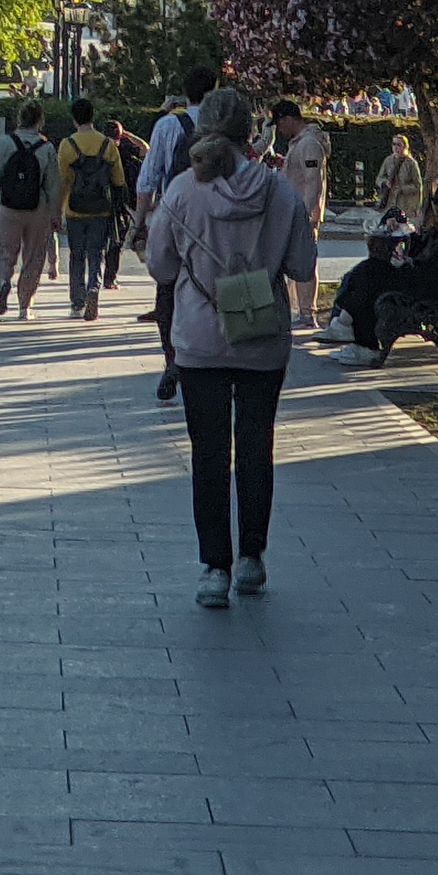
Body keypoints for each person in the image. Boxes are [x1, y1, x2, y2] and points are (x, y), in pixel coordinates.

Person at [148, 87, 316, 608]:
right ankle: (252, 559)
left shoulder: (180, 191)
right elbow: (304, 267)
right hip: (263, 339)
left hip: (199, 341)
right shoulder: (280, 190)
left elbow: (160, 267)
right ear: (252, 132)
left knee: (209, 454)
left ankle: (214, 568)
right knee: (256, 446)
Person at [315, 179, 438, 367]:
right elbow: (421, 249)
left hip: (430, 294)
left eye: (435, 203)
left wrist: (408, 264)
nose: (433, 208)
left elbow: (435, 274)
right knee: (371, 269)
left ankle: (355, 333)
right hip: (423, 284)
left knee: (373, 273)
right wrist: (401, 229)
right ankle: (348, 326)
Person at [134, 66, 219, 402]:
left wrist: (140, 221)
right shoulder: (223, 128)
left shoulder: (169, 125)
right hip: (217, 219)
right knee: (212, 288)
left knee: (168, 286)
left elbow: (149, 176)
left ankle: (173, 357)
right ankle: (208, 358)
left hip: (176, 216)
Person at [0, 99, 60, 319]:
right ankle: (25, 306)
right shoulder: (47, 147)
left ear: (19, 118)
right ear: (40, 121)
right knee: (34, 257)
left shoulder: (5, 142)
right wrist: (55, 215)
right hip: (37, 208)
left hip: (8, 207)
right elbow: (53, 185)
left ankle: (4, 281)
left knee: (5, 253)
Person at [54, 97, 127, 319]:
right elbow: (119, 180)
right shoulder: (107, 144)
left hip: (75, 208)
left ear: (74, 119)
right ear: (93, 117)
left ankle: (77, 301)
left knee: (77, 255)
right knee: (96, 253)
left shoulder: (68, 144)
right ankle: (94, 287)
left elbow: (63, 180)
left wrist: (57, 210)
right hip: (101, 208)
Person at [269, 99, 330, 328]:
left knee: (304, 262)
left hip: (303, 214)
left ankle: (307, 313)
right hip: (295, 212)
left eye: (280, 124)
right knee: (295, 261)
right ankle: (300, 310)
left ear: (288, 119)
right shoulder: (300, 144)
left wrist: (305, 215)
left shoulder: (309, 144)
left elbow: (313, 182)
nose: (279, 130)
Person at [100, 119, 147, 290]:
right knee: (116, 242)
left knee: (97, 241)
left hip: (99, 200)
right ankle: (110, 278)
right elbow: (146, 149)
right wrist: (128, 135)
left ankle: (94, 276)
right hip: (122, 204)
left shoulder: (98, 150)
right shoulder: (125, 151)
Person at [372, 133, 423, 220]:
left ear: (405, 146)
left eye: (399, 145)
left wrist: (402, 188)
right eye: (394, 144)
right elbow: (379, 178)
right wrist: (385, 183)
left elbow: (417, 186)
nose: (396, 147)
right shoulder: (388, 160)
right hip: (389, 202)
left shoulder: (411, 163)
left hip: (405, 204)